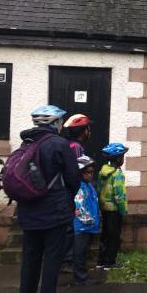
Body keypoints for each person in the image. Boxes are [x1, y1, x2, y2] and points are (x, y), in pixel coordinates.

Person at [15, 105, 81, 293]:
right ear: (56, 123)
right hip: (53, 211)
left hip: (28, 210)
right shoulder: (59, 144)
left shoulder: (26, 143)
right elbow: (73, 178)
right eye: (60, 122)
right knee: (53, 257)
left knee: (31, 257)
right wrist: (67, 198)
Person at [59, 113, 93, 273]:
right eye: (87, 128)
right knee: (71, 228)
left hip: (64, 191)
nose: (89, 131)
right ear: (82, 130)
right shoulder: (76, 147)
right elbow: (77, 171)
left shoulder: (67, 144)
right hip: (72, 192)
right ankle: (67, 260)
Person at [96, 142, 129, 270]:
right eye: (122, 157)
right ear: (118, 158)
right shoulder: (117, 174)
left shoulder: (102, 172)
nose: (123, 159)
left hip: (104, 208)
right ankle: (110, 262)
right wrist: (123, 210)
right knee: (114, 236)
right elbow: (119, 194)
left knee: (105, 235)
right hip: (115, 210)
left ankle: (101, 261)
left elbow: (98, 189)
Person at [73, 155, 102, 286]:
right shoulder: (79, 187)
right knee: (79, 252)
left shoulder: (88, 185)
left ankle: (82, 275)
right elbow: (79, 207)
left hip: (88, 226)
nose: (91, 175)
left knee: (83, 251)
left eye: (92, 172)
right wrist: (89, 220)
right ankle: (81, 278)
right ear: (80, 172)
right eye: (87, 172)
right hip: (81, 226)